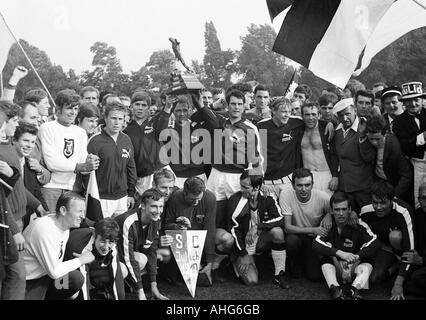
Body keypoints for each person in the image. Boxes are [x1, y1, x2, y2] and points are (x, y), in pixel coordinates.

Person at [193, 89, 263, 241]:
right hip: (216, 174)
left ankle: (239, 254)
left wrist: (255, 184)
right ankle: (215, 252)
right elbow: (200, 108)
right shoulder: (219, 121)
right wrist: (194, 88)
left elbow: (256, 159)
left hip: (237, 177)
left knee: (238, 217)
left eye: (239, 104)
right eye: (233, 104)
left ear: (244, 106)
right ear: (227, 105)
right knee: (212, 215)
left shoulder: (250, 128)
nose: (236, 107)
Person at [23, 192, 95, 300]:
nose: (83, 216)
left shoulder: (64, 226)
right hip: (29, 282)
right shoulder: (44, 229)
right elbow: (54, 272)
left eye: (83, 211)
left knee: (75, 279)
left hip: (46, 278)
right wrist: (81, 260)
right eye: (79, 211)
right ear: (63, 211)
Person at [225, 170, 289, 289]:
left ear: (257, 187)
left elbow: (280, 218)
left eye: (246, 187)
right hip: (243, 245)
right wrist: (243, 254)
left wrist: (257, 227)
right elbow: (233, 230)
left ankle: (279, 275)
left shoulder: (267, 197)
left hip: (259, 239)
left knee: (277, 232)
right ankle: (235, 262)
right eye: (241, 186)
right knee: (252, 281)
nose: (242, 189)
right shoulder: (235, 200)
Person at [39, 89, 100, 212]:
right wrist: (80, 167)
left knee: (69, 229)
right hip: (51, 187)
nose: (73, 112)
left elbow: (83, 163)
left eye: (76, 109)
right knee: (51, 226)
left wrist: (90, 162)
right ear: (58, 109)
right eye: (69, 108)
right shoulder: (47, 128)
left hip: (73, 188)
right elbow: (51, 163)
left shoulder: (81, 132)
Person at [313, 191, 379, 300]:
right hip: (336, 268)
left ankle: (356, 289)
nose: (341, 213)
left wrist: (358, 256)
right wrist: (341, 253)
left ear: (350, 209)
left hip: (355, 268)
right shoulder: (327, 224)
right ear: (331, 211)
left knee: (368, 259)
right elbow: (316, 244)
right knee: (325, 255)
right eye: (337, 210)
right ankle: (335, 289)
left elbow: (375, 242)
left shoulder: (360, 224)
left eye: (344, 209)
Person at [359, 180, 415, 300]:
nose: (378, 207)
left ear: (392, 200)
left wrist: (398, 284)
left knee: (395, 236)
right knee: (375, 278)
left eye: (383, 203)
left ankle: (400, 266)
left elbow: (410, 252)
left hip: (400, 247)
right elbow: (356, 225)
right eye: (375, 202)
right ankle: (395, 266)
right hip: (383, 248)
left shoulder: (404, 211)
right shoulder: (365, 211)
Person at [115, 189, 169, 300]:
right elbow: (128, 258)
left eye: (161, 206)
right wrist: (141, 292)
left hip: (126, 255)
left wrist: (154, 286)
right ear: (143, 206)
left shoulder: (156, 219)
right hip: (108, 257)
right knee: (139, 260)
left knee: (158, 254)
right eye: (154, 206)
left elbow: (152, 251)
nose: (158, 211)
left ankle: (134, 287)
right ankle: (118, 290)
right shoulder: (128, 221)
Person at [279, 168, 332, 281]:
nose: (304, 189)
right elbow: (287, 228)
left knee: (314, 275)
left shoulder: (322, 197)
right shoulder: (285, 194)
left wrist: (329, 215)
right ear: (293, 186)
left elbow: (339, 209)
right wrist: (313, 230)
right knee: (292, 241)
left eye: (307, 185)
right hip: (295, 235)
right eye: (299, 185)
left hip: (312, 239)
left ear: (312, 185)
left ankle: (306, 260)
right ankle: (294, 262)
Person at [163, 177, 217, 285]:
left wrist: (210, 261)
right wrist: (177, 226)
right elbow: (166, 226)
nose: (196, 202)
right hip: (181, 240)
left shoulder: (210, 198)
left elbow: (209, 230)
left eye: (199, 199)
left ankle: (209, 266)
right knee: (167, 253)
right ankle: (171, 272)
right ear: (185, 193)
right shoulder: (175, 197)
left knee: (223, 239)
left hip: (198, 241)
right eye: (193, 199)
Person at [87, 102, 137, 218]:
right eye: (113, 118)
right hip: (101, 198)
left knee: (119, 233)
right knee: (102, 232)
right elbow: (87, 172)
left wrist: (130, 193)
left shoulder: (126, 139)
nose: (117, 122)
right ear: (105, 118)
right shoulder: (95, 141)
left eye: (120, 118)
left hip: (123, 197)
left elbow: (131, 168)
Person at [123, 92, 174, 198]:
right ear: (131, 106)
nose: (140, 108)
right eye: (137, 104)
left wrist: (168, 106)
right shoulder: (126, 131)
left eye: (144, 105)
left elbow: (163, 122)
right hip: (142, 178)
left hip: (162, 171)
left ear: (149, 108)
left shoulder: (154, 122)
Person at [64, 218, 127, 300]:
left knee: (122, 270)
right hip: (64, 276)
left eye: (110, 242)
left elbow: (116, 277)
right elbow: (83, 285)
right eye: (103, 241)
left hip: (91, 266)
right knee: (75, 292)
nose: (106, 247)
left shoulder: (113, 245)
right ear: (94, 236)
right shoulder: (83, 249)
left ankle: (100, 292)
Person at [359, 114, 413, 206]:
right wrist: (362, 135)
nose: (374, 142)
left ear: (385, 133)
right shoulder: (367, 139)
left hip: (395, 187)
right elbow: (367, 157)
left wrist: (395, 196)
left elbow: (406, 175)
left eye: (377, 139)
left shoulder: (394, 146)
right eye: (371, 139)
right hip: (378, 184)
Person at [256, 97, 304, 198]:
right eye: (283, 111)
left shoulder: (297, 123)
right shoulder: (261, 127)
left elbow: (314, 121)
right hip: (266, 183)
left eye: (289, 111)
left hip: (288, 181)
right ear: (273, 110)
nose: (287, 115)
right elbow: (254, 155)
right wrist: (259, 182)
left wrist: (330, 123)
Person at [0, 110, 25, 300]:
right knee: (16, 274)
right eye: (13, 121)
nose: (17, 125)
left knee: (16, 275)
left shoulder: (7, 145)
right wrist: (15, 230)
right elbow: (2, 200)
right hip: (8, 223)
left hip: (15, 219)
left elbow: (17, 186)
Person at [333, 98, 374, 212]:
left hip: (363, 188)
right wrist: (335, 175)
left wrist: (362, 136)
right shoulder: (337, 131)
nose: (344, 118)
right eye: (341, 116)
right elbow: (335, 156)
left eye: (347, 114)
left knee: (368, 216)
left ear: (355, 111)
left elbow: (369, 157)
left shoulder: (365, 127)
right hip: (345, 188)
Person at [392, 82, 426, 209]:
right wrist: (423, 136)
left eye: (416, 100)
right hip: (415, 165)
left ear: (422, 100)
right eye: (409, 101)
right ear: (404, 103)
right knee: (418, 200)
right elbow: (405, 146)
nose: (413, 104)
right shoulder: (399, 122)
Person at [165, 96, 208, 188]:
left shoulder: (198, 126)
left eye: (185, 110)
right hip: (177, 176)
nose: (182, 114)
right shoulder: (167, 128)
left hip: (198, 174)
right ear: (173, 111)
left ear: (190, 110)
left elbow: (214, 121)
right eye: (178, 110)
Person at [13, 123, 49, 227]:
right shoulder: (6, 162)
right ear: (14, 140)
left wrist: (46, 213)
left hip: (25, 219)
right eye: (25, 141)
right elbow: (17, 188)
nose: (29, 145)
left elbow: (36, 191)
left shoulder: (30, 164)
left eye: (32, 142)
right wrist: (38, 206)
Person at [301, 103, 338, 196]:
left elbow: (334, 154)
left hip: (326, 175)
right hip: (307, 176)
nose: (310, 118)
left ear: (319, 115)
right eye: (307, 114)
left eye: (313, 114)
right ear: (302, 116)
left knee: (329, 206)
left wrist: (335, 176)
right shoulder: (297, 129)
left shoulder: (327, 127)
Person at [402, 183, 426, 297]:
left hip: (423, 261)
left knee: (417, 277)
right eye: (423, 198)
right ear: (419, 199)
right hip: (419, 260)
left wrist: (422, 260)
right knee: (402, 282)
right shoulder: (416, 215)